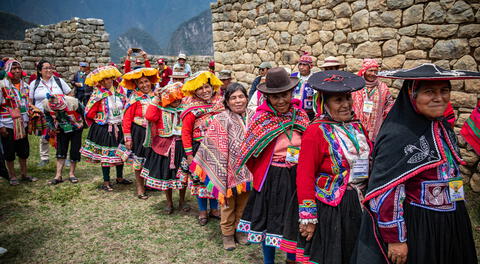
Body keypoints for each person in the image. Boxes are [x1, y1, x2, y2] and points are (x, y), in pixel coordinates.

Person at [352, 63, 479, 264]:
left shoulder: (441, 127)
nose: (439, 97)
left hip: (451, 219)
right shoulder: (397, 135)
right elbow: (386, 191)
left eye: (444, 90)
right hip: (419, 224)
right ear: (412, 95)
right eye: (429, 92)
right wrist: (395, 238)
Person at [280, 71, 370, 263]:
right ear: (324, 103)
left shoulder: (356, 126)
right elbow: (304, 175)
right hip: (332, 207)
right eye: (338, 100)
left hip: (358, 202)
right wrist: (308, 217)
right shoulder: (316, 130)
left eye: (347, 98)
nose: (346, 104)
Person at [235, 67, 310, 264]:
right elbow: (249, 149)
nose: (281, 101)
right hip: (272, 176)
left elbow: (310, 145)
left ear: (291, 92)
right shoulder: (261, 118)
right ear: (267, 97)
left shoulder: (300, 115)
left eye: (284, 95)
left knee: (295, 219)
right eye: (275, 97)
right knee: (270, 221)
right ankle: (269, 260)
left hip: (297, 176)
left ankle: (291, 259)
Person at [190, 83, 253, 250]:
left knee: (244, 205)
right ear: (227, 101)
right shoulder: (221, 119)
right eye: (233, 98)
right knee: (227, 205)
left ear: (247, 98)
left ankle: (240, 231)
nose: (238, 101)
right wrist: (222, 170)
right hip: (227, 171)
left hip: (250, 171)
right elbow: (212, 146)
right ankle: (227, 235)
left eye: (241, 97)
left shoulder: (254, 116)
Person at [177, 71, 224, 225]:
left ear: (212, 87)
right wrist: (189, 154)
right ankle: (203, 210)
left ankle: (215, 208)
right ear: (194, 91)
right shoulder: (191, 109)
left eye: (207, 87)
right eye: (200, 89)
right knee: (200, 180)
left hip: (217, 147)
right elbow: (185, 133)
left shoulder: (219, 104)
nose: (205, 91)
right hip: (199, 149)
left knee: (215, 178)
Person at [80, 65, 132, 191]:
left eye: (109, 79)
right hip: (105, 128)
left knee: (120, 153)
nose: (107, 81)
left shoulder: (120, 92)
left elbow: (127, 106)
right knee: (106, 156)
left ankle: (120, 177)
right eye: (104, 80)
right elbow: (89, 111)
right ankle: (106, 181)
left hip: (119, 126)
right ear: (100, 82)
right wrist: (100, 118)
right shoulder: (98, 94)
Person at [141, 82, 189, 213]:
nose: (176, 101)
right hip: (164, 147)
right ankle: (169, 202)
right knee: (166, 175)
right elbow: (149, 116)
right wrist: (156, 99)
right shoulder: (161, 109)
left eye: (178, 99)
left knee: (182, 175)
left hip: (181, 146)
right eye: (173, 99)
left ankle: (182, 200)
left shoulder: (185, 109)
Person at [120, 67, 158, 199]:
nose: (144, 85)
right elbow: (126, 119)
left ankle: (148, 183)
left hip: (153, 133)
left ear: (151, 82)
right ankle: (140, 187)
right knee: (139, 161)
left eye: (146, 81)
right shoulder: (134, 99)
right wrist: (128, 138)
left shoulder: (156, 96)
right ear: (136, 85)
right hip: (139, 133)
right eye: (141, 83)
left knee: (150, 159)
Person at [29, 59, 72, 167]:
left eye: (50, 67)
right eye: (46, 68)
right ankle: (44, 158)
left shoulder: (59, 81)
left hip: (60, 115)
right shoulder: (35, 84)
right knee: (44, 137)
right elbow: (29, 101)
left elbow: (70, 94)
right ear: (39, 71)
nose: (49, 70)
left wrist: (65, 105)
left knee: (62, 136)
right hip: (43, 115)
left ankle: (64, 156)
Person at [0, 60, 34, 185]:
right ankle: (12, 175)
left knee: (23, 151)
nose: (17, 71)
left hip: (23, 124)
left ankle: (24, 174)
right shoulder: (2, 86)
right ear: (8, 70)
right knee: (9, 152)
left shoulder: (26, 86)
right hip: (8, 124)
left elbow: (27, 104)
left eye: (19, 68)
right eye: (13, 68)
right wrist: (1, 126)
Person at [44, 94, 84, 185]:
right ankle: (58, 176)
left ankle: (72, 174)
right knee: (61, 150)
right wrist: (53, 127)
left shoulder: (73, 102)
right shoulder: (46, 104)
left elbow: (84, 112)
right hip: (61, 128)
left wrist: (82, 124)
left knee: (75, 149)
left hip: (76, 127)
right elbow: (47, 117)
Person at [352, 59, 394, 142]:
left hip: (375, 129)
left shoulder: (383, 88)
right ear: (364, 71)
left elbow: (389, 104)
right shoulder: (356, 86)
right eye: (370, 70)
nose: (373, 74)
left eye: (376, 71)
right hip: (356, 128)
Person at [291, 53, 316, 120]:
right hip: (293, 111)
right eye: (300, 64)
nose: (301, 67)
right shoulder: (293, 77)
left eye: (304, 65)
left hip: (309, 113)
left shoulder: (314, 78)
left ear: (311, 66)